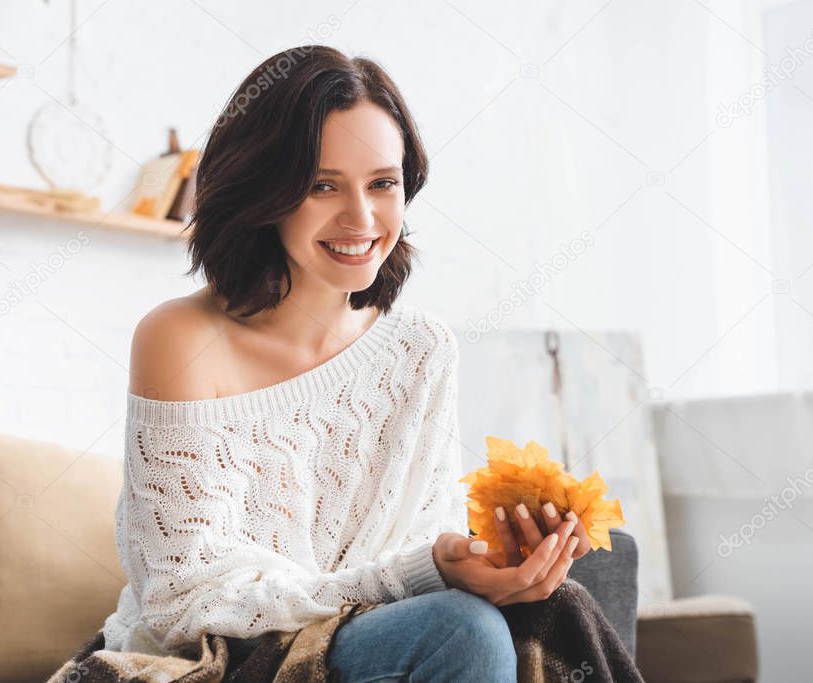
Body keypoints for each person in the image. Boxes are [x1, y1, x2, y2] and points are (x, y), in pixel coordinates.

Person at [98, 45, 595, 682]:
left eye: (382, 183)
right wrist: (423, 573)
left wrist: (500, 560)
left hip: (377, 634)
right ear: (265, 191)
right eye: (322, 185)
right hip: (224, 659)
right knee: (461, 630)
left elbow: (425, 538)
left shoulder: (422, 349)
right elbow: (181, 601)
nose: (361, 218)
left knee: (582, 579)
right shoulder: (182, 338)